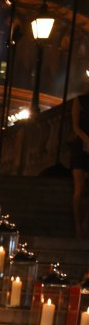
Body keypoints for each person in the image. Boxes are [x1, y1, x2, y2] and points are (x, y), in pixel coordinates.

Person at [70, 91, 89, 239]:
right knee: (80, 188)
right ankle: (78, 226)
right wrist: (86, 139)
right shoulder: (80, 100)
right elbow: (75, 126)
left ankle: (85, 223)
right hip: (80, 148)